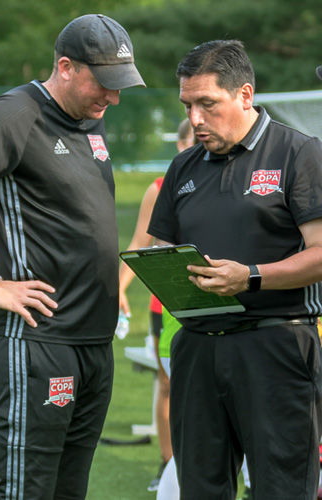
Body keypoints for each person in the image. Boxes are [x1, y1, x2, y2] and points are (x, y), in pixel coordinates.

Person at [0, 14, 145, 499]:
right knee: (27, 489)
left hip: (94, 339)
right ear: (65, 67)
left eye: (119, 85)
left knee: (70, 489)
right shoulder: (15, 114)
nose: (112, 97)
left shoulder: (90, 118)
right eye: (103, 83)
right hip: (38, 340)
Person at [148, 39, 322, 500]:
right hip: (196, 348)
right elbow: (161, 249)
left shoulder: (299, 152)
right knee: (200, 489)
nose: (195, 119)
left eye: (207, 104)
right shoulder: (183, 165)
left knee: (282, 489)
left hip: (276, 344)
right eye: (187, 105)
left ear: (245, 95)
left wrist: (251, 276)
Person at [118, 117, 195, 491]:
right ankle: (167, 462)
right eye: (192, 140)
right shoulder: (160, 187)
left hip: (207, 303)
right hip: (163, 306)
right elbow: (139, 242)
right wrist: (119, 287)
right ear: (180, 145)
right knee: (166, 385)